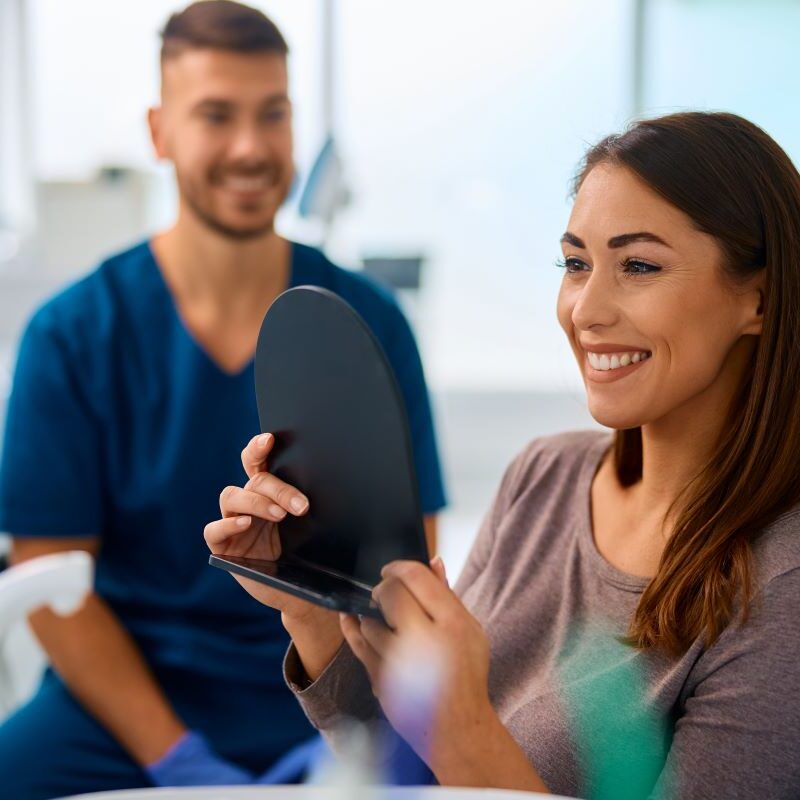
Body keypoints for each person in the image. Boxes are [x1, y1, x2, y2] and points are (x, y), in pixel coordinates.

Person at [207, 111, 800, 799]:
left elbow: (453, 744)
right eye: (576, 264)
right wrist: (309, 608)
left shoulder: (782, 584)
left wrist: (461, 727)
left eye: (638, 266)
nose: (586, 309)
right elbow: (411, 765)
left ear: (757, 298)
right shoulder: (542, 478)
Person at [0, 2, 445, 798]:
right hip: (120, 707)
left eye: (272, 114)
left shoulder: (369, 322)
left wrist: (343, 721)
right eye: (216, 116)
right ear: (160, 130)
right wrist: (177, 761)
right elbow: (50, 580)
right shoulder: (72, 335)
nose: (250, 147)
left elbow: (406, 565)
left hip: (326, 687)